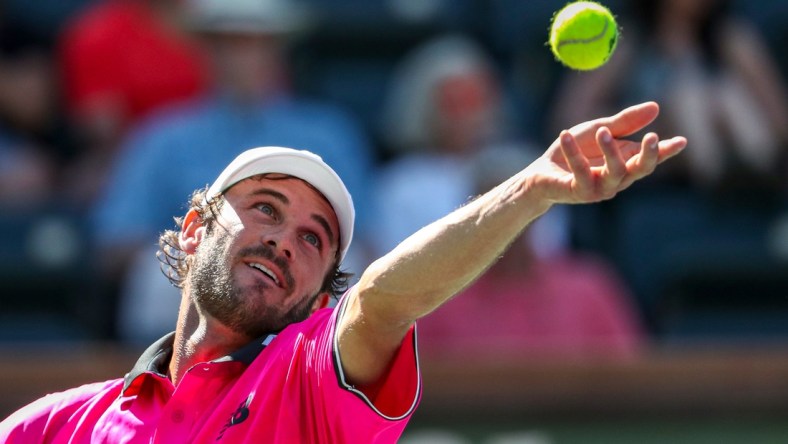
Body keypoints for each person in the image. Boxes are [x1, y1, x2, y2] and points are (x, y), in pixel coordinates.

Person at [0, 102, 687, 442]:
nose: (284, 241)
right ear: (193, 228)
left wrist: (528, 191)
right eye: (264, 208)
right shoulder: (52, 425)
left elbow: (381, 303)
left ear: (315, 296)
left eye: (314, 238)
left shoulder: (309, 381)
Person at [89, 0, 375, 343]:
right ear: (206, 51)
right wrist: (219, 252)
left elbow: (367, 239)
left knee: (352, 269)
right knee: (152, 272)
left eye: (256, 42)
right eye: (229, 43)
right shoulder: (162, 136)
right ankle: (161, 383)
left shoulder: (329, 132)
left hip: (297, 277)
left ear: (278, 50)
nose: (243, 57)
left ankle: (325, 381)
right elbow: (117, 242)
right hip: (194, 287)